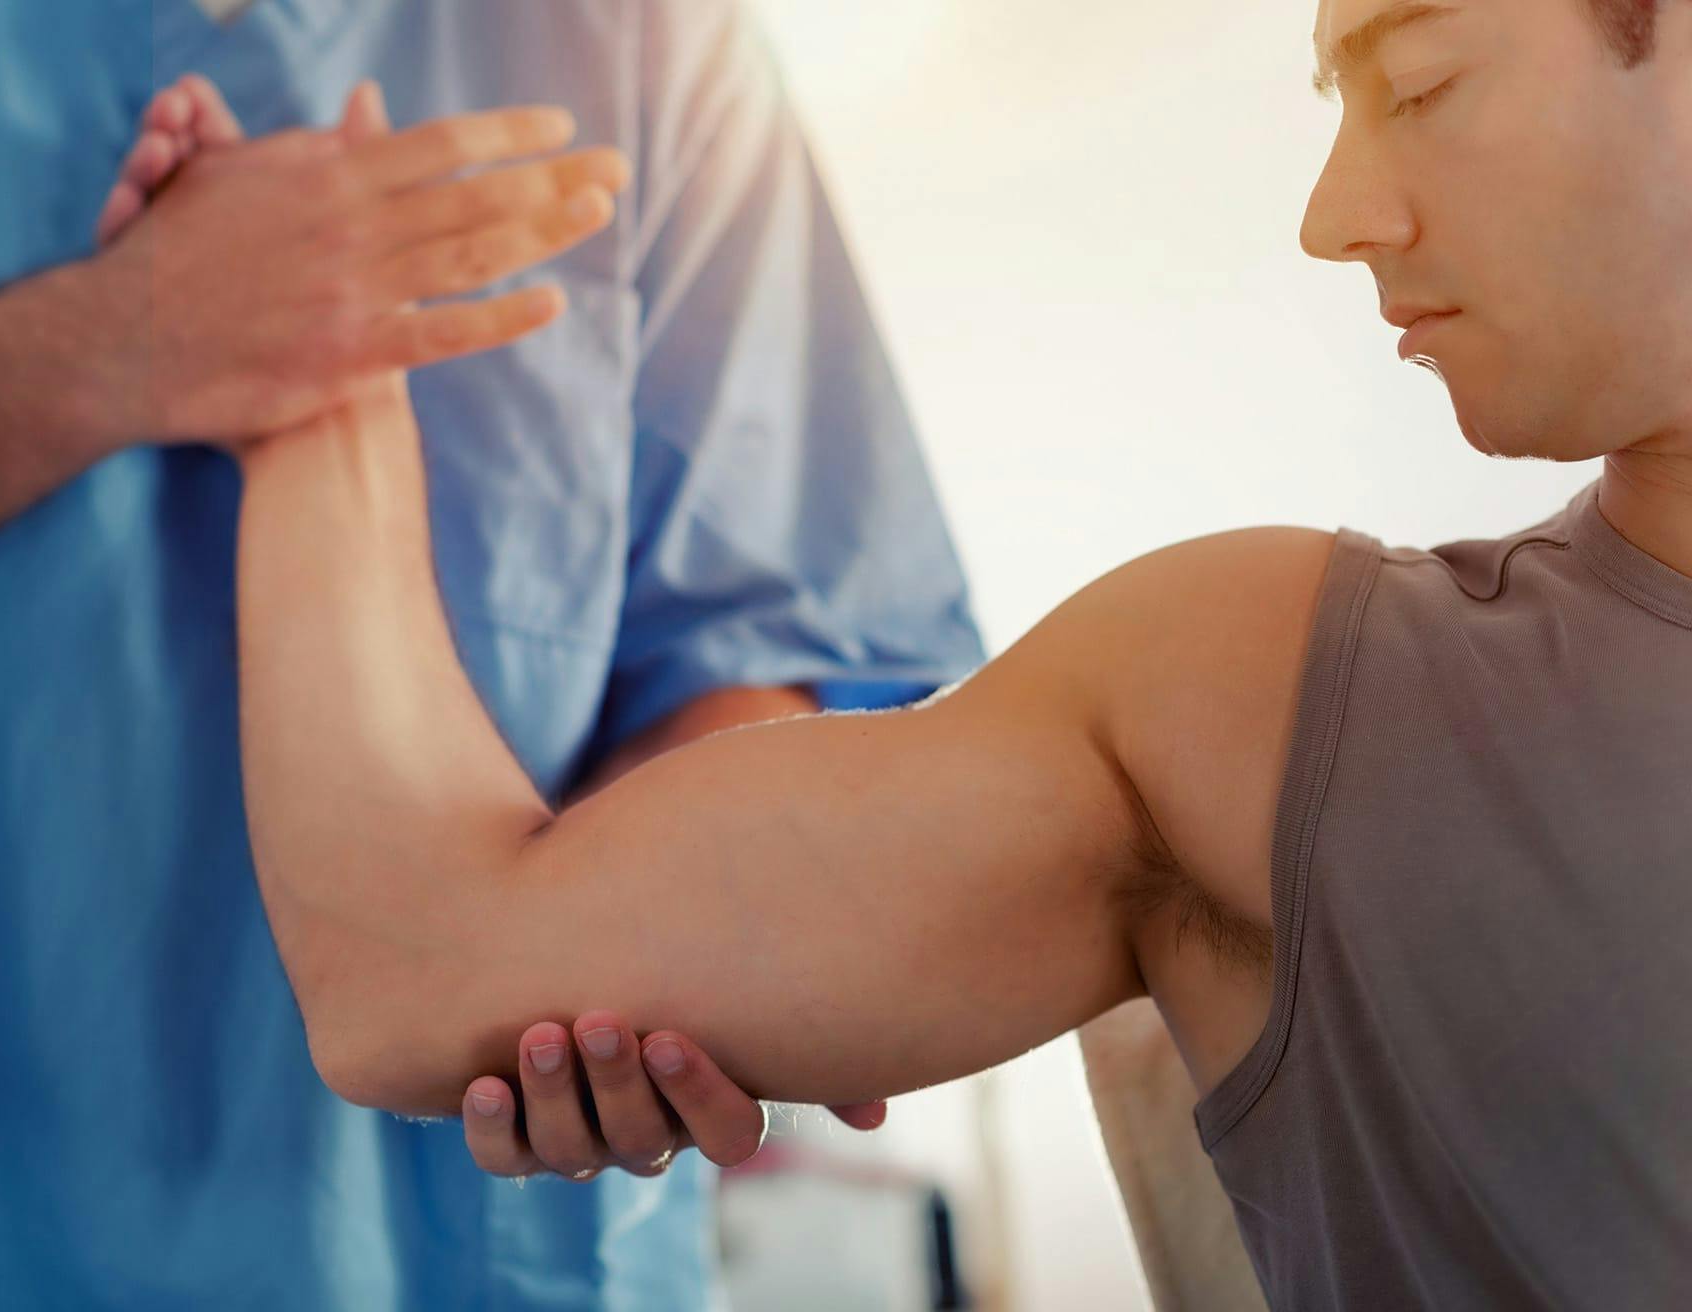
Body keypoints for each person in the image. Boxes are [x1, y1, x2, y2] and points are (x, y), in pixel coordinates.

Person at [212, 0, 1692, 1306]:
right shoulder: (1275, 705)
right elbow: (415, 971)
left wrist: (313, 375)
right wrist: (316, 371)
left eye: (1421, 82)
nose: (1333, 211)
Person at [0, 5, 980, 1308]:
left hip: (483, 1254)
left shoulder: (647, 41)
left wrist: (706, 935)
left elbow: (762, 635)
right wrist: (120, 337)